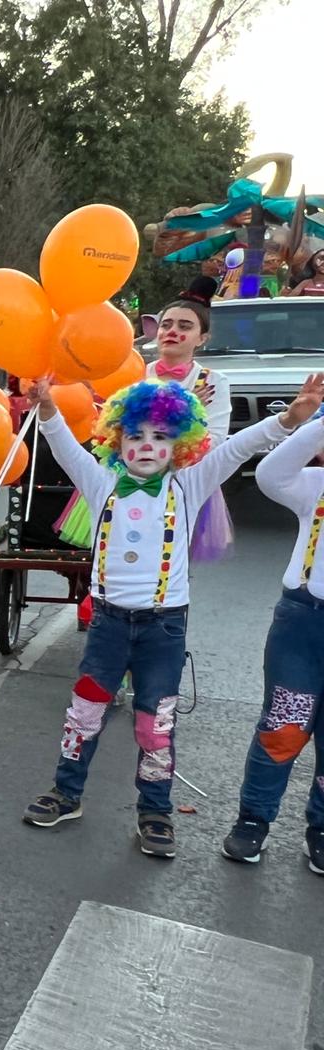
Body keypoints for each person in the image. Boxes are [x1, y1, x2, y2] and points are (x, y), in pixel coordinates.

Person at [20, 376, 310, 858]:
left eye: (159, 436)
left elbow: (237, 449)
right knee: (84, 712)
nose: (146, 445)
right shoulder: (101, 483)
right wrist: (47, 407)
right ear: (117, 441)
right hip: (109, 624)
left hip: (163, 627)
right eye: (135, 435)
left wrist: (285, 422)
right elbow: (66, 448)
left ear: (180, 444)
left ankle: (155, 810)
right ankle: (66, 793)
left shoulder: (189, 485)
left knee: (155, 724)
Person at [220, 374, 324, 869]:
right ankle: (253, 821)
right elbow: (271, 474)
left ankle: (320, 827)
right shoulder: (314, 487)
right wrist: (318, 422)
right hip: (302, 623)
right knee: (284, 725)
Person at [152, 276, 234, 561]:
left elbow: (214, 441)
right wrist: (183, 409)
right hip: (132, 478)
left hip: (186, 483)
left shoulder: (213, 381)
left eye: (184, 326)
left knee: (170, 561)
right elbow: (116, 431)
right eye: (166, 324)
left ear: (202, 338)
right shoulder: (135, 372)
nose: (172, 332)